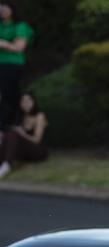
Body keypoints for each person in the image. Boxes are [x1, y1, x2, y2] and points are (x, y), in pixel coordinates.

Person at [0, 1, 33, 129]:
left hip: (12, 65)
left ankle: (11, 125)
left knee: (10, 95)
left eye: (4, 7)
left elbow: (19, 47)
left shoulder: (20, 26)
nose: (1, 10)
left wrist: (2, 44)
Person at [0, 92, 47, 179]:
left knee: (14, 135)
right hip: (25, 151)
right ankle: (2, 163)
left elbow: (37, 140)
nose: (26, 104)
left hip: (37, 150)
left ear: (33, 102)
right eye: (23, 101)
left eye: (28, 101)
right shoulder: (21, 116)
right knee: (7, 135)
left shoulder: (39, 116)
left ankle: (6, 166)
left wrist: (23, 134)